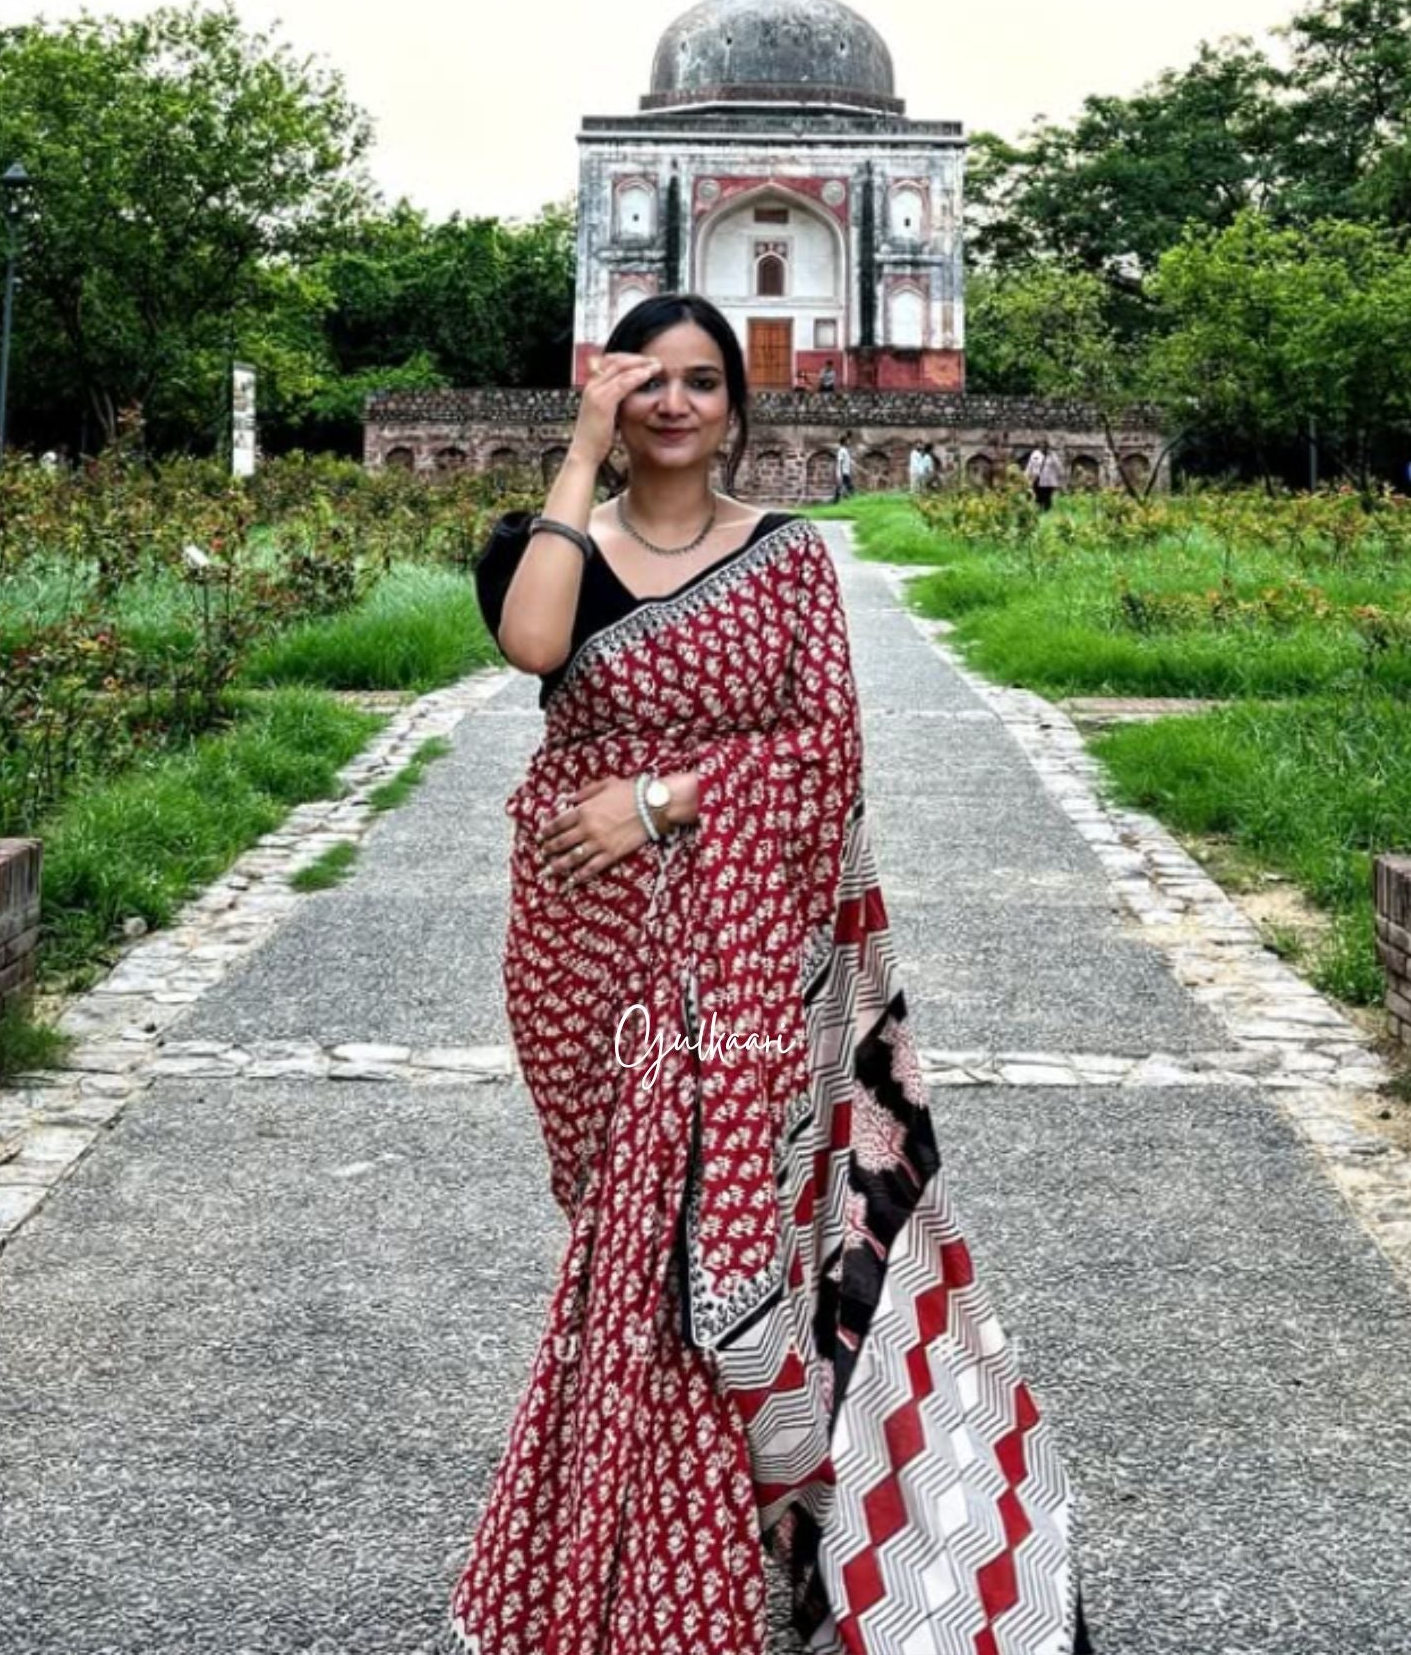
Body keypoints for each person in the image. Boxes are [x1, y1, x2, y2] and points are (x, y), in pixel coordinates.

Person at [449, 293, 1089, 1655]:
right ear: (609, 395)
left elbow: (822, 756)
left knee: (684, 1236)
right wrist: (573, 458)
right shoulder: (544, 548)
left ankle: (687, 1581)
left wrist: (661, 801)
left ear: (740, 409)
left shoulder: (788, 560)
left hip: (739, 945)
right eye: (646, 381)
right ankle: (664, 1554)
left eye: (702, 382)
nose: (673, 404)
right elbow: (533, 648)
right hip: (584, 940)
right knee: (622, 1226)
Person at [1025, 438, 1064, 512]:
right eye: (1041, 445)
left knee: (1047, 499)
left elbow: (1059, 467)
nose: (1042, 447)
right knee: (1038, 498)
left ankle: (1046, 513)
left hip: (1048, 482)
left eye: (1044, 445)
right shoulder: (1035, 454)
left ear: (1047, 446)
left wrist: (1060, 478)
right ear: (1039, 446)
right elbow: (1029, 466)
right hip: (1037, 480)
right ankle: (1039, 512)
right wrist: (1026, 477)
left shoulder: (1052, 455)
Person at [834, 435, 855, 502]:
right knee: (849, 486)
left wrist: (851, 462)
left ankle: (836, 500)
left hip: (845, 471)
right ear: (844, 442)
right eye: (848, 440)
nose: (849, 442)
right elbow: (840, 462)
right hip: (843, 472)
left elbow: (847, 460)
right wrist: (839, 473)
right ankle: (851, 499)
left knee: (841, 486)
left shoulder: (845, 450)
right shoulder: (841, 450)